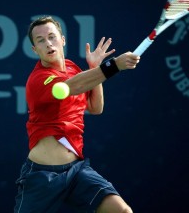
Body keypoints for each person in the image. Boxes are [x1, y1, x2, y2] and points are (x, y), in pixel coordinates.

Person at [14, 16, 140, 213]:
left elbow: (95, 107)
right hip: (42, 176)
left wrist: (94, 68)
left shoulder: (74, 68)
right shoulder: (38, 79)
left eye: (52, 37)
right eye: (40, 41)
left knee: (122, 211)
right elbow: (67, 88)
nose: (48, 43)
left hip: (77, 171)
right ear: (34, 50)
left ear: (62, 40)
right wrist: (112, 66)